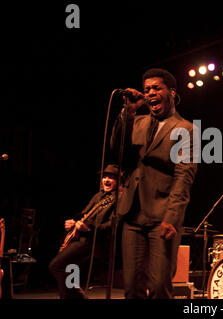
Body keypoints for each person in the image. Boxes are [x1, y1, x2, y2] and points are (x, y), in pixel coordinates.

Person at [110, 68, 197, 299]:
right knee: (132, 287)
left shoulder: (185, 129)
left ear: (171, 92)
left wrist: (173, 217)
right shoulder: (136, 122)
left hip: (162, 217)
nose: (150, 93)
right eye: (147, 89)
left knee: (159, 287)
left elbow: (184, 176)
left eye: (157, 88)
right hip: (132, 214)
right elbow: (116, 150)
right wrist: (127, 113)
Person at [48, 164, 119, 299]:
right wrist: (73, 222)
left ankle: (78, 296)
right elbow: (83, 214)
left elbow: (113, 224)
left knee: (56, 265)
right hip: (81, 237)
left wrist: (90, 229)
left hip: (95, 240)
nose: (107, 180)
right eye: (105, 177)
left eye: (111, 177)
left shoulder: (118, 198)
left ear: (118, 181)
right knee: (68, 268)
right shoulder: (99, 196)